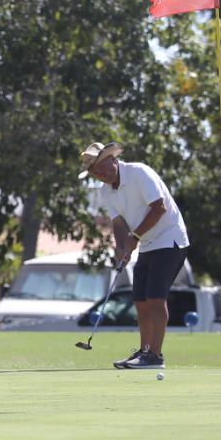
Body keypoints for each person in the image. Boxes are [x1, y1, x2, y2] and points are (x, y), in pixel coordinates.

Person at [79, 141, 190, 370]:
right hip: (149, 243)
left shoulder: (140, 173)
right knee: (140, 300)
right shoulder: (105, 191)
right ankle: (145, 350)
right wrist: (121, 248)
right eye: (95, 172)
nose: (101, 174)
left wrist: (135, 237)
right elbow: (118, 222)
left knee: (155, 299)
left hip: (170, 239)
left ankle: (155, 356)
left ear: (113, 159)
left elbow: (159, 208)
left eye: (103, 167)